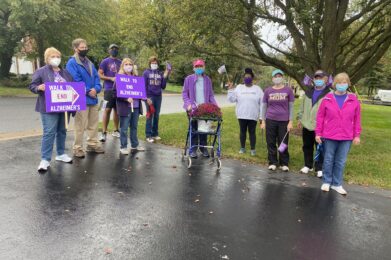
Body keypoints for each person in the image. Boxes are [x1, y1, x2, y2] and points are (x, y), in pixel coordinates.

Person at [315, 72, 361, 195]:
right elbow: (320, 117)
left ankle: (337, 184)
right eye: (339, 82)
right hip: (329, 135)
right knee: (328, 159)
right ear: (335, 84)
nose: (342, 84)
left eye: (344, 82)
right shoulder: (327, 99)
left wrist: (357, 135)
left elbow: (357, 119)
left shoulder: (353, 100)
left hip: (346, 136)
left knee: (341, 161)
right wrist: (318, 133)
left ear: (348, 84)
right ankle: (326, 181)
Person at [29, 47, 73, 171]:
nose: (56, 59)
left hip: (64, 108)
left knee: (62, 131)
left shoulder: (66, 73)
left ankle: (61, 154)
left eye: (58, 56)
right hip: (48, 108)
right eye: (52, 56)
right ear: (47, 58)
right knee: (49, 132)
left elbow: (73, 87)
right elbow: (32, 86)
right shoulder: (41, 71)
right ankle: (45, 159)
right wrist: (39, 88)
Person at [66, 38, 104, 158]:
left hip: (93, 98)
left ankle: (92, 144)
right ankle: (77, 148)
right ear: (75, 49)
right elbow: (76, 80)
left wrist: (96, 89)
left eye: (85, 47)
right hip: (80, 98)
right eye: (82, 47)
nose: (85, 49)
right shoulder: (71, 63)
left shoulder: (90, 63)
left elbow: (97, 79)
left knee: (93, 124)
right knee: (80, 125)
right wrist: (88, 91)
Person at [297, 70, 331, 178]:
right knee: (307, 145)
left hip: (321, 126)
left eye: (320, 78)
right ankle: (308, 165)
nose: (318, 80)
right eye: (316, 78)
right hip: (307, 124)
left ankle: (319, 168)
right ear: (313, 80)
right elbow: (302, 107)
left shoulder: (329, 93)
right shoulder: (308, 92)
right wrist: (299, 118)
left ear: (325, 79)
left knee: (320, 147)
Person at [182, 59, 218, 158]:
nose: (199, 68)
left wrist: (216, 106)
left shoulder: (207, 80)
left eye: (200, 66)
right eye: (197, 67)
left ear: (204, 67)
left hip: (204, 108)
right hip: (192, 108)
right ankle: (192, 149)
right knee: (193, 128)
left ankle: (203, 148)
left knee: (203, 129)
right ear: (194, 68)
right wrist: (188, 104)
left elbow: (211, 95)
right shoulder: (188, 79)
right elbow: (184, 93)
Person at [260, 69, 295, 172]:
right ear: (272, 78)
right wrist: (263, 121)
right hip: (270, 119)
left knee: (283, 142)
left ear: (282, 78)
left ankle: (284, 162)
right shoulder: (268, 91)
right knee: (270, 141)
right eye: (275, 76)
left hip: (284, 121)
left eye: (279, 76)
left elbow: (291, 107)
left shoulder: (288, 90)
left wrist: (291, 121)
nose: (277, 78)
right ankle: (273, 162)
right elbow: (264, 107)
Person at [227, 68, 263, 156]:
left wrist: (261, 116)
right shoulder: (239, 88)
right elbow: (231, 100)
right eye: (245, 77)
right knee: (242, 132)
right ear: (243, 78)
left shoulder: (257, 89)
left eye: (249, 76)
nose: (247, 78)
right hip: (241, 115)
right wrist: (230, 90)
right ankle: (242, 148)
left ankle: (253, 149)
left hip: (253, 115)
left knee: (252, 132)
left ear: (252, 78)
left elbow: (262, 103)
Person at [113, 58, 145, 154]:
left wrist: (143, 96)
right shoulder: (119, 78)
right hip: (124, 107)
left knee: (134, 127)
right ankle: (123, 146)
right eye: (126, 64)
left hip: (135, 106)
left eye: (130, 64)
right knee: (124, 128)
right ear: (123, 66)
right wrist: (126, 98)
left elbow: (140, 92)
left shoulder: (136, 77)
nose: (128, 66)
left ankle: (135, 145)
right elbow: (114, 93)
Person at [143, 56, 170, 143]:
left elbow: (163, 86)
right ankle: (148, 135)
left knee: (157, 115)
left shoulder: (160, 73)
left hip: (158, 96)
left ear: (158, 64)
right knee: (150, 115)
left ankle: (155, 133)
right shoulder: (146, 73)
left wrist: (165, 76)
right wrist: (146, 98)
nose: (154, 64)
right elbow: (143, 86)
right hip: (149, 97)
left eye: (155, 63)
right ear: (150, 64)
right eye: (152, 63)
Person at [98, 44, 122, 142]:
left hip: (119, 89)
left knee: (117, 111)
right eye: (112, 48)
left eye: (116, 49)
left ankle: (116, 130)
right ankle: (104, 132)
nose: (114, 50)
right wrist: (110, 78)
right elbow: (99, 74)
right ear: (109, 50)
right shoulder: (105, 61)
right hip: (108, 89)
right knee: (107, 110)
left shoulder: (121, 62)